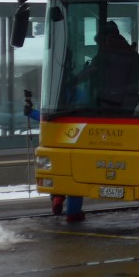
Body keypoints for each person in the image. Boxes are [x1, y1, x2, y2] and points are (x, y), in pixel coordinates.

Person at [23, 91, 86, 223]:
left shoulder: (54, 94)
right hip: (75, 140)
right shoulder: (80, 95)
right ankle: (72, 214)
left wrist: (31, 112)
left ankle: (57, 198)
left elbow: (46, 116)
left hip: (54, 143)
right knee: (74, 181)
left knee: (58, 175)